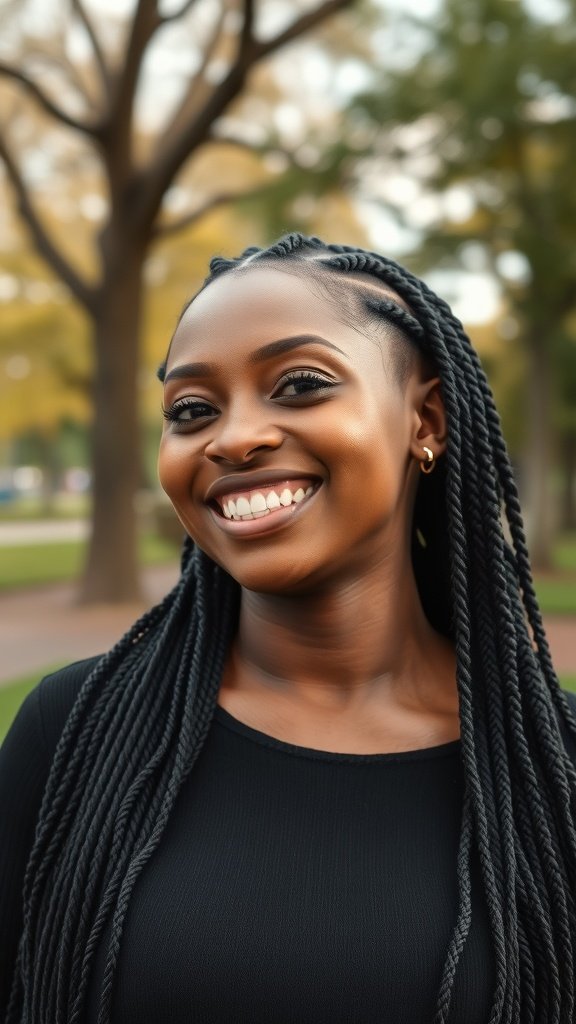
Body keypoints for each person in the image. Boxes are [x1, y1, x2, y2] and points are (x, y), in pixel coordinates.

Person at [1, 233, 575, 1024]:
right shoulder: (74, 735)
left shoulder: (557, 770)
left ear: (426, 420)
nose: (233, 438)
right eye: (192, 410)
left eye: (300, 385)